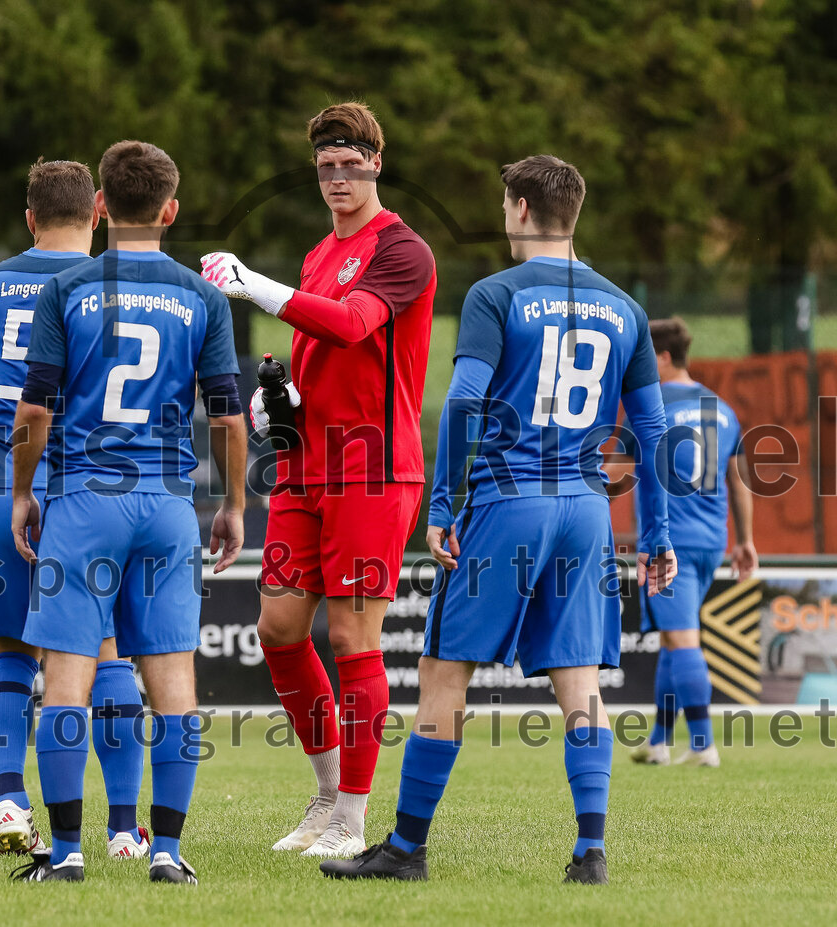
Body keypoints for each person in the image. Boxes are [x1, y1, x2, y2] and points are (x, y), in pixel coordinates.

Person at [321, 154, 677, 885]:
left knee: (444, 668)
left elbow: (462, 401)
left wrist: (444, 503)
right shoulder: (625, 309)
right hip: (584, 511)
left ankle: (407, 847)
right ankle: (591, 851)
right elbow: (653, 431)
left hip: (508, 502)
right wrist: (660, 534)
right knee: (578, 679)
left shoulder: (497, 293)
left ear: (518, 208)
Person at [201, 101, 436, 858]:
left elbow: (351, 325)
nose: (338, 176)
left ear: (376, 162)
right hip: (308, 466)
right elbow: (317, 351)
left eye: (351, 162)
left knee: (353, 638)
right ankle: (327, 793)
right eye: (326, 164)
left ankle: (354, 819)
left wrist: (250, 284)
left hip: (374, 467)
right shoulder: (316, 254)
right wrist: (286, 406)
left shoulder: (403, 250)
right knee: (278, 629)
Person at [9, 140, 247, 884]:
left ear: (103, 206)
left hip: (85, 502)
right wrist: (235, 502)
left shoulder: (68, 289)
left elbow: (35, 408)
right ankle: (169, 852)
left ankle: (71, 850)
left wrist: (23, 491)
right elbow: (230, 419)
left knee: (68, 677)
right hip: (169, 503)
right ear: (171, 211)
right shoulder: (201, 297)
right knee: (173, 678)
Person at [0, 159, 150, 860]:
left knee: (11, 647)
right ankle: (123, 829)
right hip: (83, 480)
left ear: (28, 218)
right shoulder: (113, 285)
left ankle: (12, 800)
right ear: (100, 211)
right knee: (104, 650)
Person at [609, 317, 756, 767]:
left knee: (684, 640)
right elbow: (740, 480)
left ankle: (703, 746)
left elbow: (615, 478)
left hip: (669, 540)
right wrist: (745, 541)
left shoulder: (647, 409)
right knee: (675, 641)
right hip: (713, 540)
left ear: (664, 357)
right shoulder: (722, 409)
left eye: (646, 354)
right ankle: (658, 742)